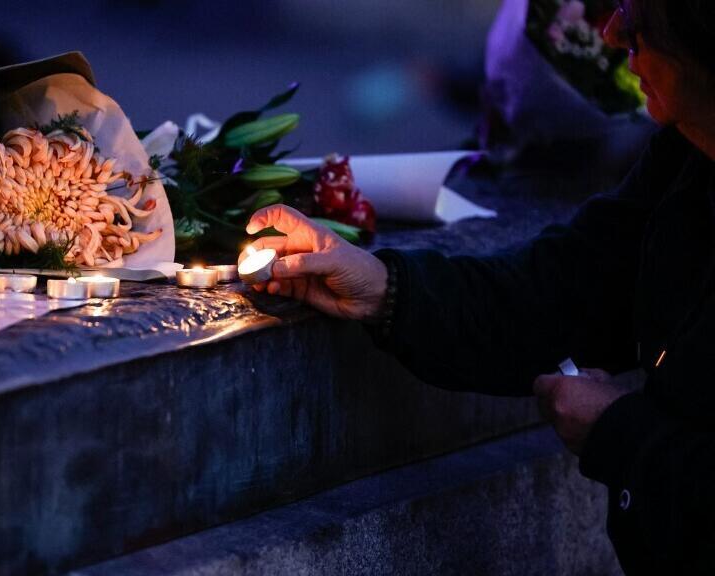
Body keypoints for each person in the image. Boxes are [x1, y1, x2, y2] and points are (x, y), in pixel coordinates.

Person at [244, 1, 715, 573]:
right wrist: (385, 288)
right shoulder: (687, 155)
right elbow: (559, 293)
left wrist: (623, 434)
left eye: (640, 20)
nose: (614, 35)